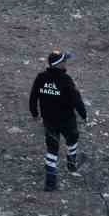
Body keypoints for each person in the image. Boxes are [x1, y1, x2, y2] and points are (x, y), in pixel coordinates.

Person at [28, 50, 87, 192]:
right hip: (67, 121)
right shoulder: (66, 80)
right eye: (64, 61)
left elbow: (33, 97)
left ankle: (50, 183)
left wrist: (35, 113)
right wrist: (84, 115)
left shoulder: (40, 78)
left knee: (52, 149)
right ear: (58, 64)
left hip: (49, 121)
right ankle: (72, 165)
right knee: (72, 139)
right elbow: (76, 99)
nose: (66, 63)